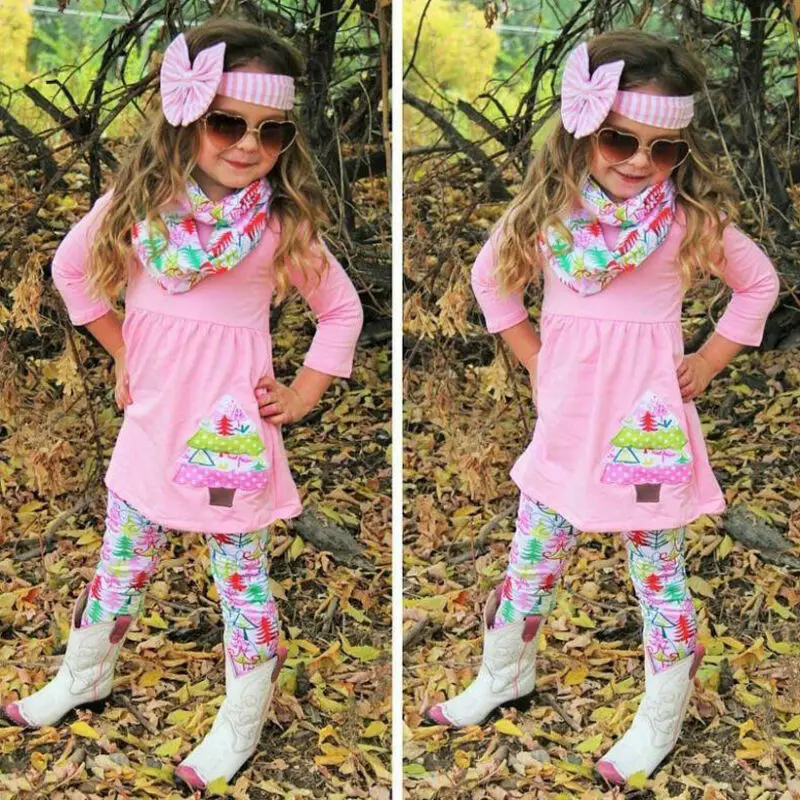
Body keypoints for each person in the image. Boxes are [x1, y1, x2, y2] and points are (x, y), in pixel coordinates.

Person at [2, 19, 363, 791]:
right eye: (228, 123)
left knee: (241, 577)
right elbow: (71, 271)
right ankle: (84, 675)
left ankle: (242, 719)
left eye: (270, 130)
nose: (249, 144)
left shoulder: (280, 225)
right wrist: (123, 350)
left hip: (230, 434)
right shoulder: (138, 205)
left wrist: (303, 392)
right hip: (152, 425)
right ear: (187, 117)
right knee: (121, 559)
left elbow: (342, 311)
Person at [425, 31, 779, 784]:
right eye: (620, 139)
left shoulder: (686, 222)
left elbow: (760, 284)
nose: (640, 161)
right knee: (532, 558)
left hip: (647, 434)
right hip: (566, 427)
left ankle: (661, 716)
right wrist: (535, 358)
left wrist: (708, 360)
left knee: (657, 570)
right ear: (584, 130)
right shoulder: (548, 215)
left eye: (663, 148)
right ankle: (504, 673)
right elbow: (491, 279)